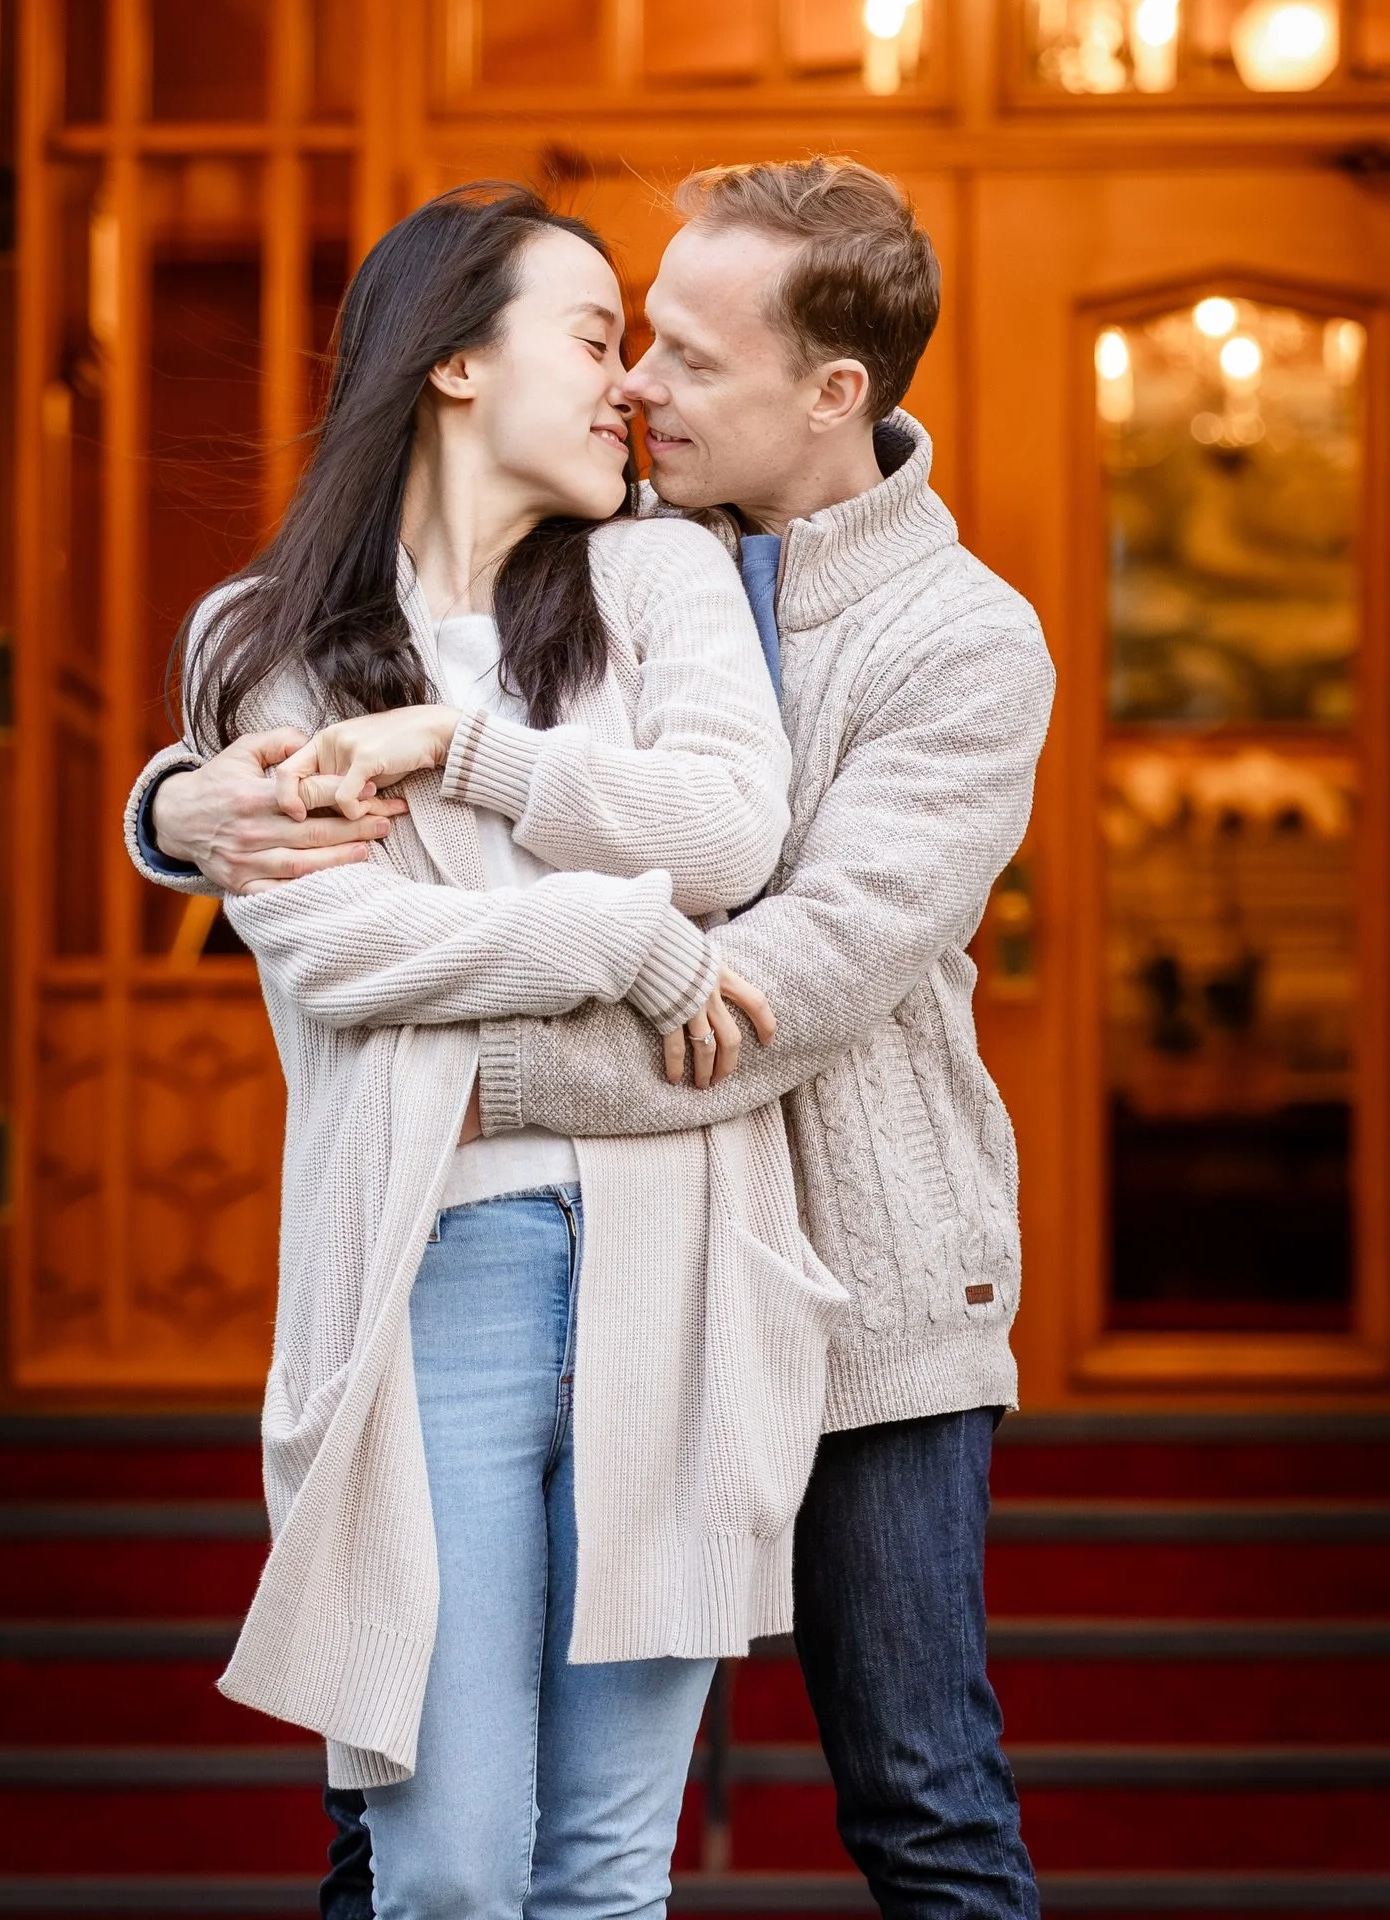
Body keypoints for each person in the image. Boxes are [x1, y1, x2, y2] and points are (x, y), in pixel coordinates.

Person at [134, 158, 1055, 1920]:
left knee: (916, 1785)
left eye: (683, 357)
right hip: (493, 1256)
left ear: (830, 393)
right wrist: (180, 804)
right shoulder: (641, 543)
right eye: (618, 338)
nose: (635, 383)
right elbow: (336, 819)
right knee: (415, 1833)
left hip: (845, 1260)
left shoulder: (951, 637)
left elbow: (787, 964)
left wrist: (469, 1081)